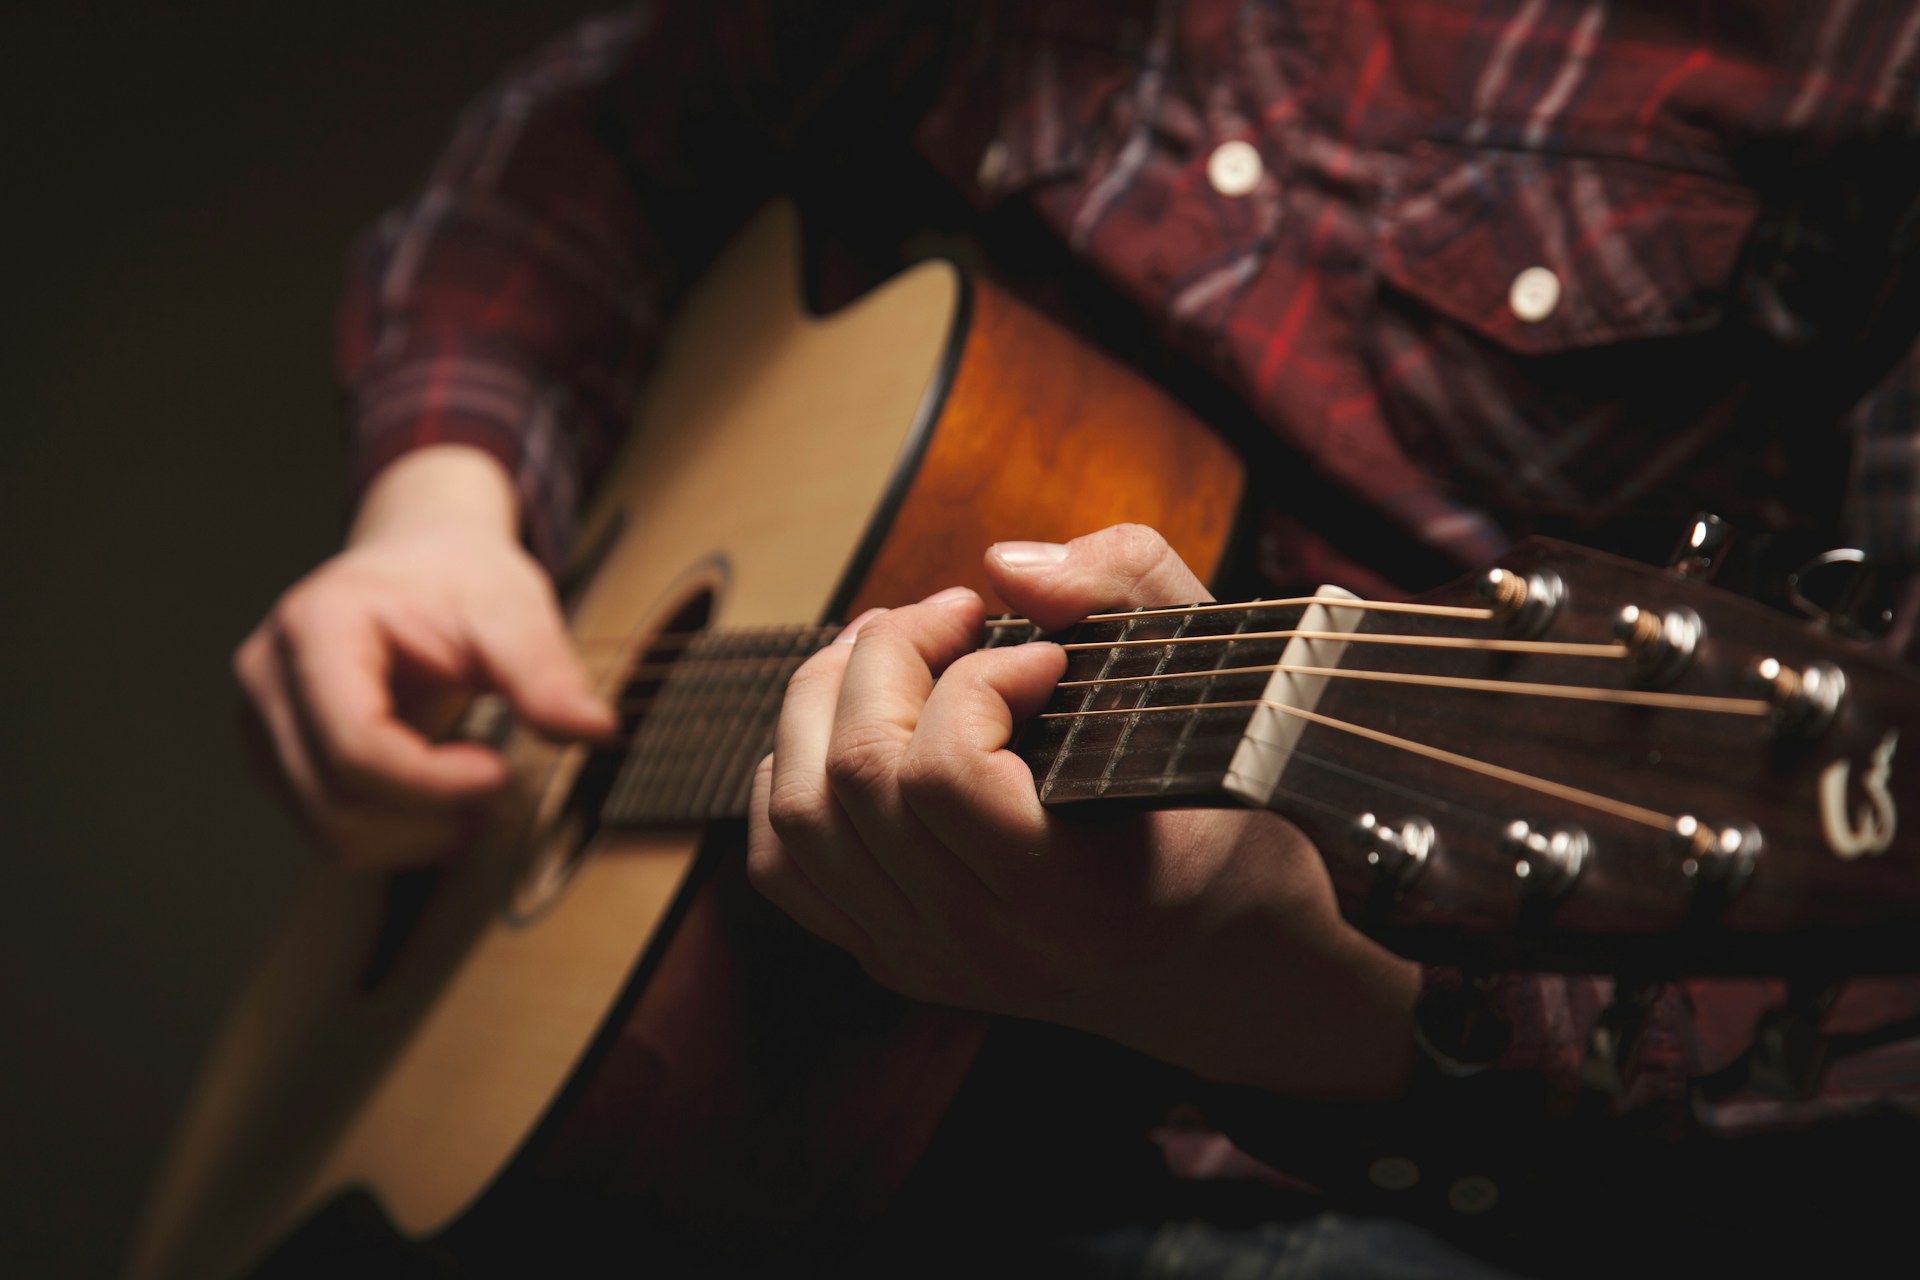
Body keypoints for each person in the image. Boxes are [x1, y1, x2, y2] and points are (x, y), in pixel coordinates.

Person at [234, 2, 1920, 1274]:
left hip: (1333, 1169)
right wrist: (440, 508)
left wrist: (1305, 995)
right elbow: (596, 126)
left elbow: (1864, 1066)